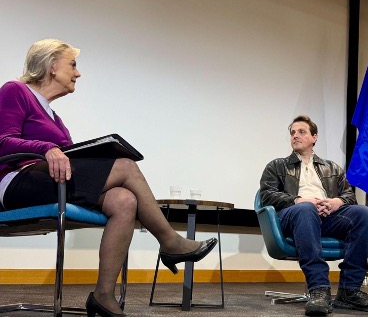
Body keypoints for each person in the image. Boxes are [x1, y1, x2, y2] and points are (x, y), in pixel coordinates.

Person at [0, 39, 217, 317]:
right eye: (73, 65)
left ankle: (103, 295)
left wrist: (68, 152)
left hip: (52, 182)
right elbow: (4, 141)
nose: (78, 73)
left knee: (124, 201)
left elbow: (68, 156)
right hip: (16, 182)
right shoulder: (15, 91)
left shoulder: (56, 118)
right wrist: (48, 148)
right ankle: (169, 242)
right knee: (125, 166)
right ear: (52, 66)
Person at [259, 115, 368, 316]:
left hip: (326, 217)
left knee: (365, 214)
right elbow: (267, 195)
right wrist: (298, 200)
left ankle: (349, 290)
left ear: (314, 137)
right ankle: (318, 288)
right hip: (292, 217)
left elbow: (348, 195)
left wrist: (337, 202)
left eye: (301, 131)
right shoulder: (277, 166)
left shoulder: (332, 167)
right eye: (292, 132)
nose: (295, 136)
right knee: (306, 209)